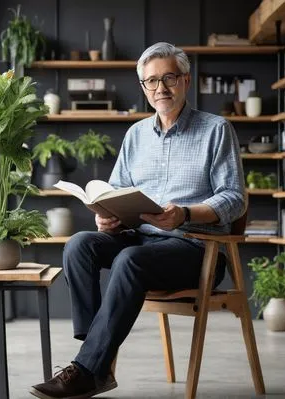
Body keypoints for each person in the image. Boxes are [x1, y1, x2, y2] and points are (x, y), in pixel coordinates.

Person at [30, 42, 245, 399]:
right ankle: (96, 356)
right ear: (143, 88)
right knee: (79, 245)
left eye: (168, 78)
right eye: (151, 82)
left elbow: (234, 199)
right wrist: (108, 216)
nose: (160, 88)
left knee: (130, 261)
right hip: (140, 238)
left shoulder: (216, 130)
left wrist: (185, 213)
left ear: (186, 81)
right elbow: (114, 190)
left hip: (195, 248)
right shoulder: (136, 135)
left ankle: (87, 367)